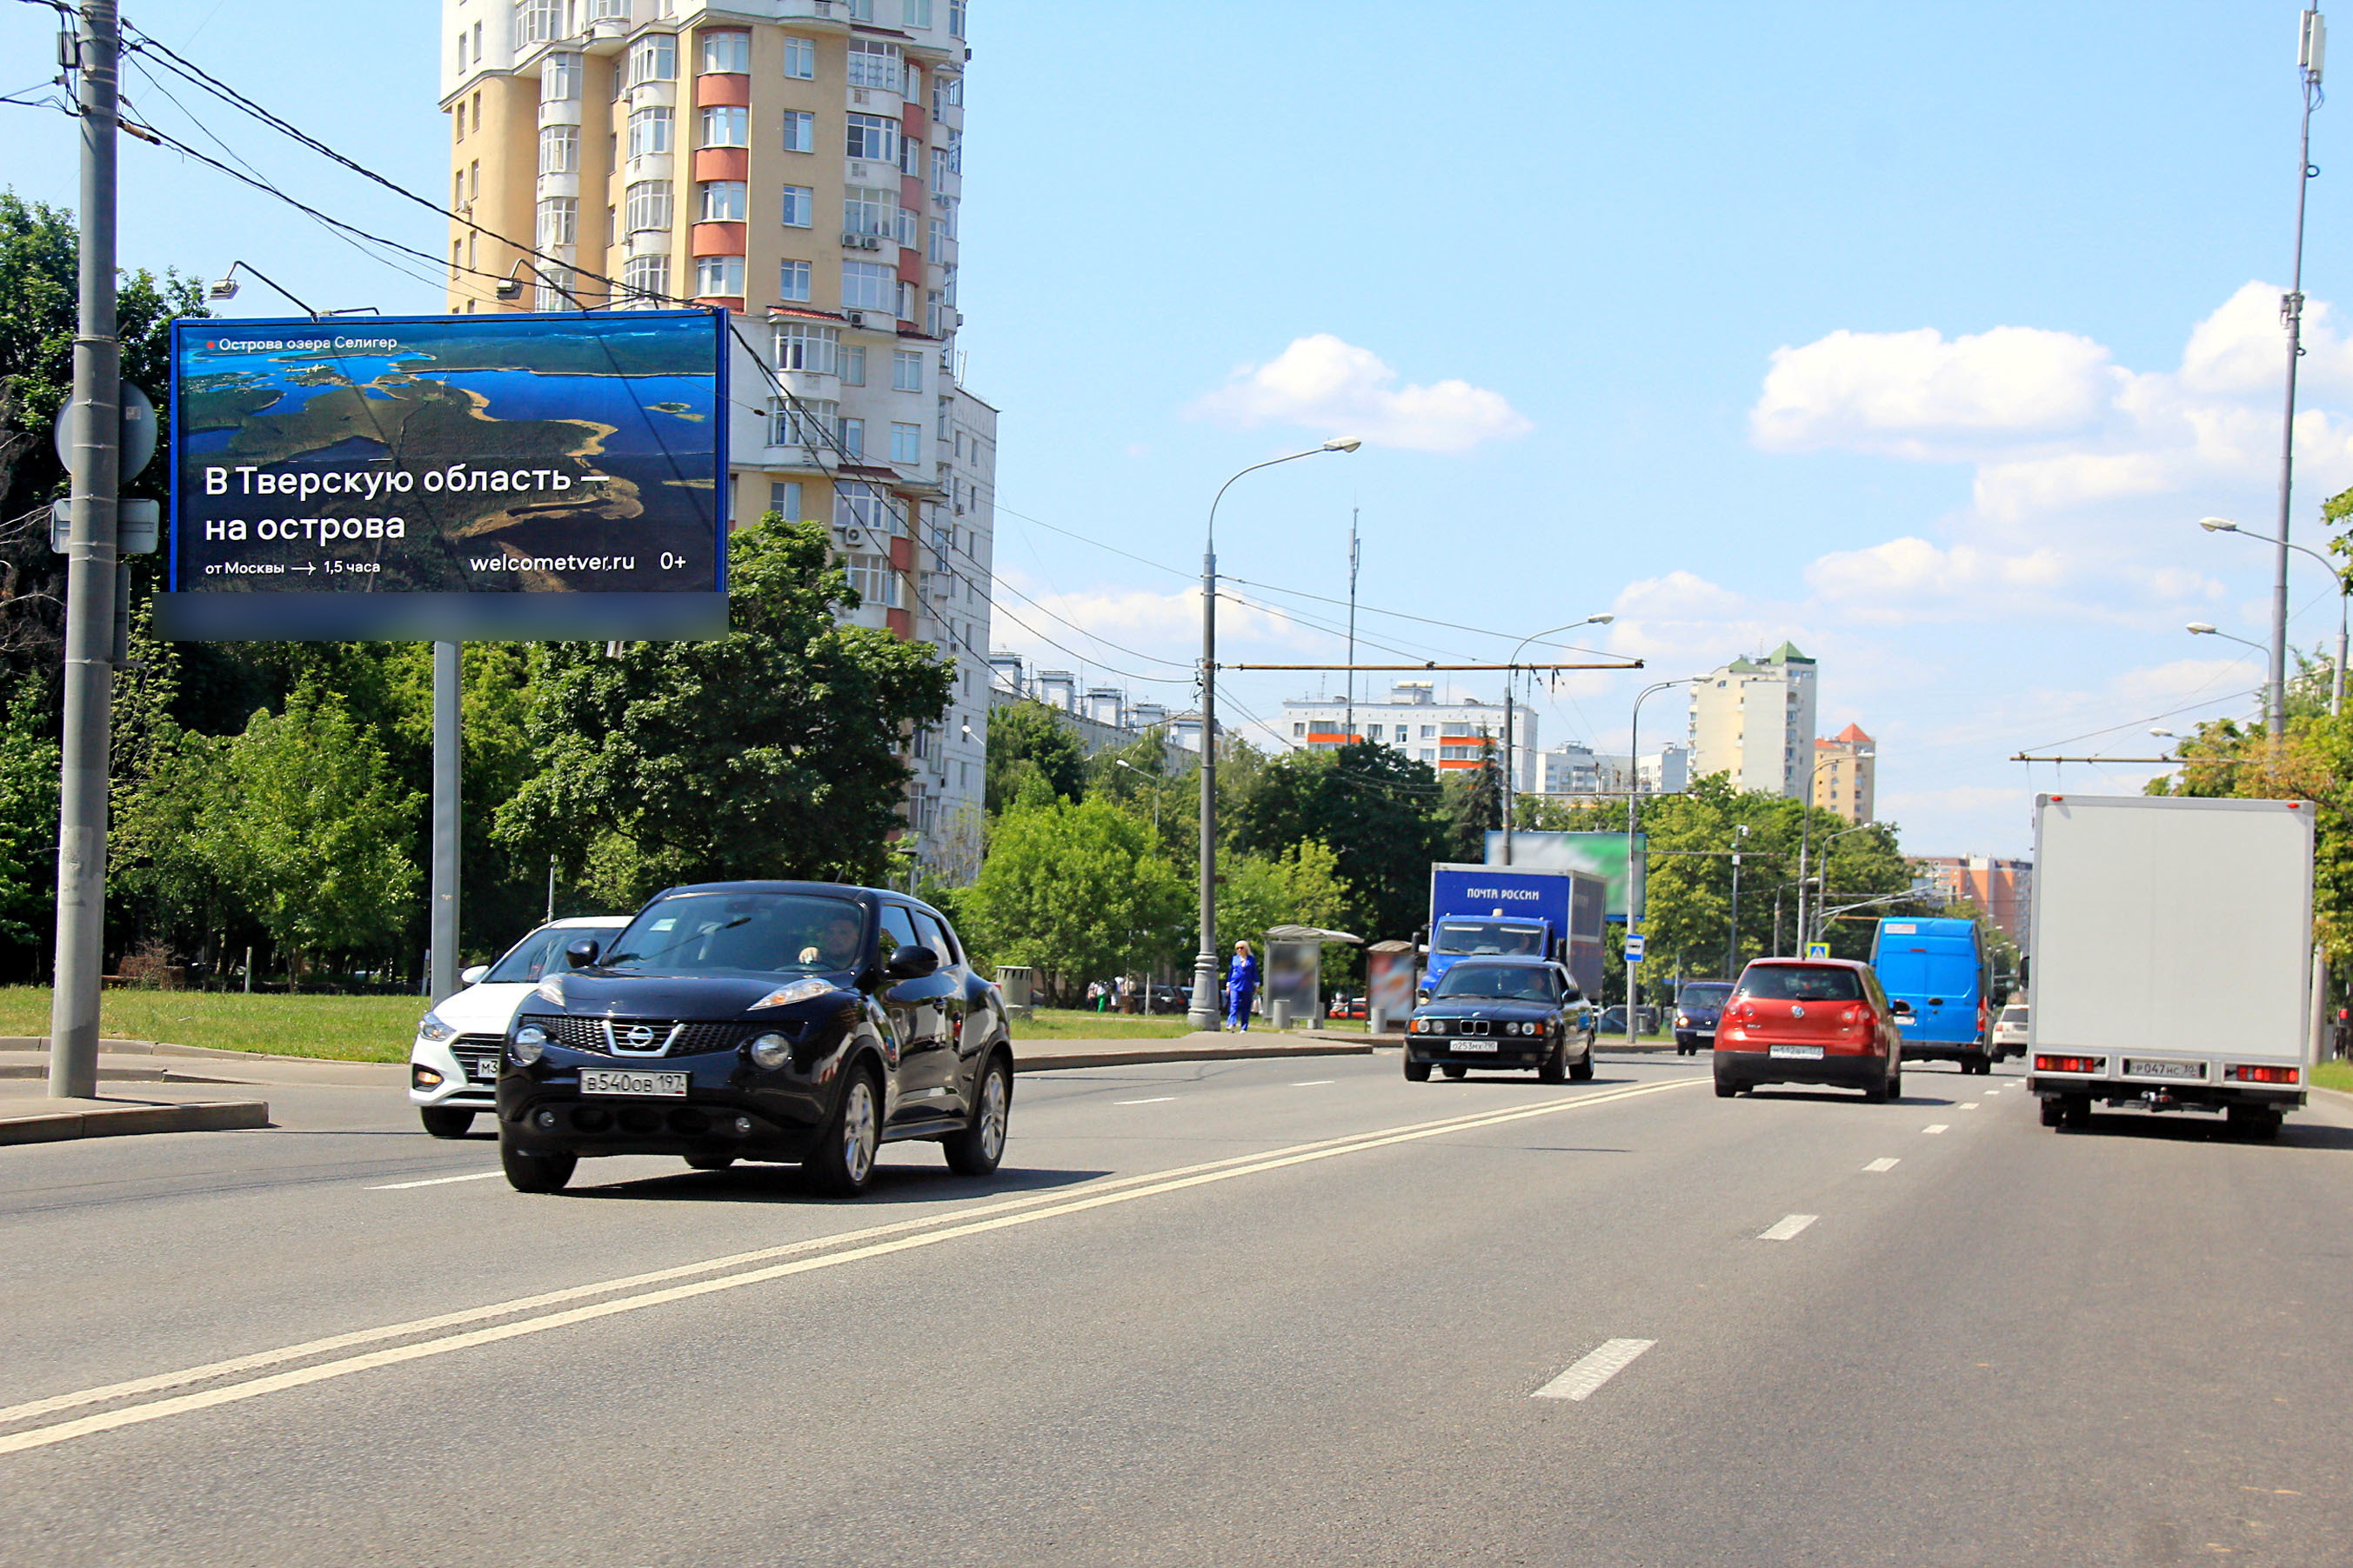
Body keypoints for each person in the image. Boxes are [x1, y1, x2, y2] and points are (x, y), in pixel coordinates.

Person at [1226, 939, 1260, 1032]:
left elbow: (1254, 972)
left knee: (1246, 1006)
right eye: (1237, 948)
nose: (1239, 950)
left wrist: (1257, 984)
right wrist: (1228, 985)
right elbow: (1230, 972)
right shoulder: (1234, 959)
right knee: (1234, 1004)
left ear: (1246, 949)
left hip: (1247, 986)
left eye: (1241, 948)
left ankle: (1243, 1027)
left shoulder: (1251, 959)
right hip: (1235, 984)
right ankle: (1232, 1024)